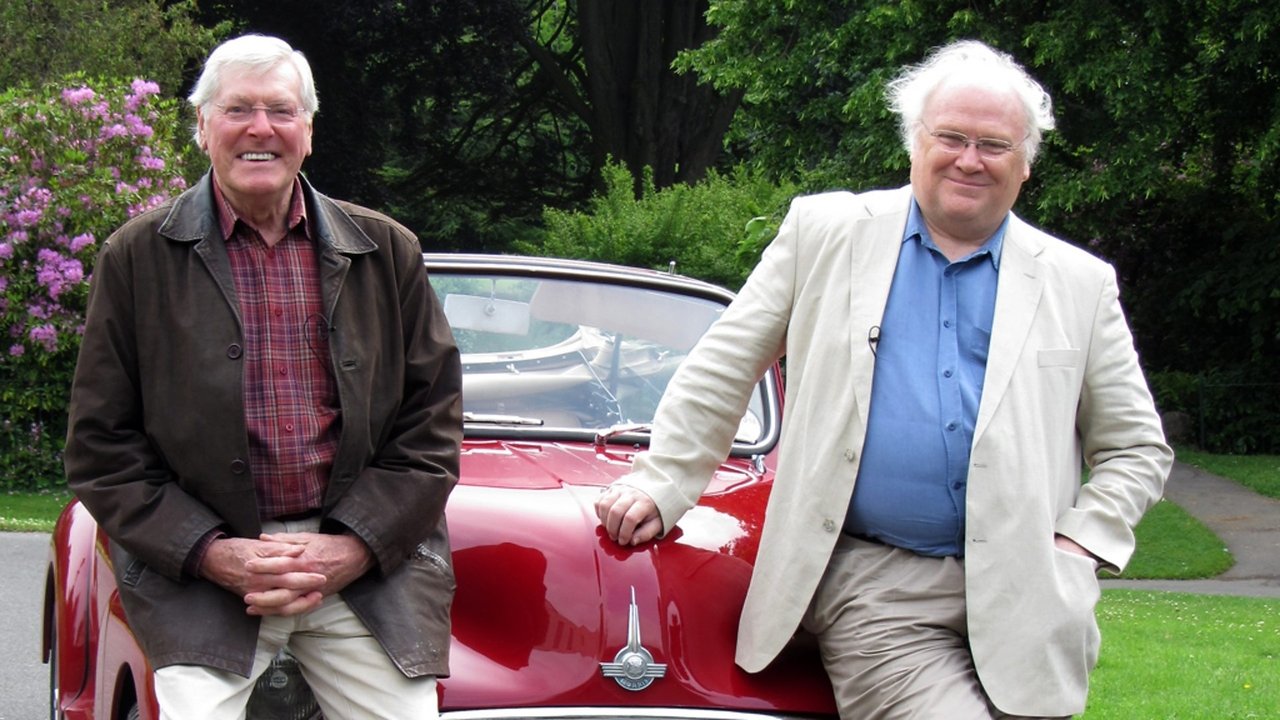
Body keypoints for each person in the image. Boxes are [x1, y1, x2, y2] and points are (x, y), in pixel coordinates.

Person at [595, 39, 1172, 719]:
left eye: (993, 144)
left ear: (1025, 163)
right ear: (914, 142)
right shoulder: (825, 232)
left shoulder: (1079, 283)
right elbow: (725, 365)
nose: (968, 159)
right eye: (951, 137)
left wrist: (1079, 544)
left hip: (1030, 598)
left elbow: (1137, 448)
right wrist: (666, 480)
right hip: (877, 582)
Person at [64, 34, 462, 719]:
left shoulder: (386, 250)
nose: (260, 129)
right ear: (202, 128)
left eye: (280, 111)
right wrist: (212, 554)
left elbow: (431, 426)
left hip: (361, 571)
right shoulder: (135, 257)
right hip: (202, 570)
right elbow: (102, 448)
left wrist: (352, 547)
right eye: (237, 109)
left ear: (308, 130)